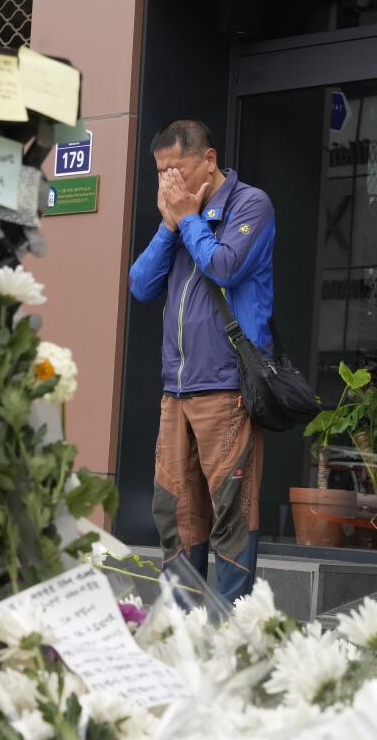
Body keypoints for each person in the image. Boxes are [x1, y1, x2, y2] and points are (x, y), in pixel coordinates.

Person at [128, 119, 275, 603]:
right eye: (160, 172)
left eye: (176, 168)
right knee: (175, 510)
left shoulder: (249, 204)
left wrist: (189, 219)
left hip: (228, 386)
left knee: (232, 513)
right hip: (176, 390)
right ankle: (181, 631)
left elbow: (224, 265)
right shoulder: (178, 220)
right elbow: (141, 284)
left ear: (208, 160)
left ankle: (230, 634)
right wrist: (172, 225)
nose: (167, 180)